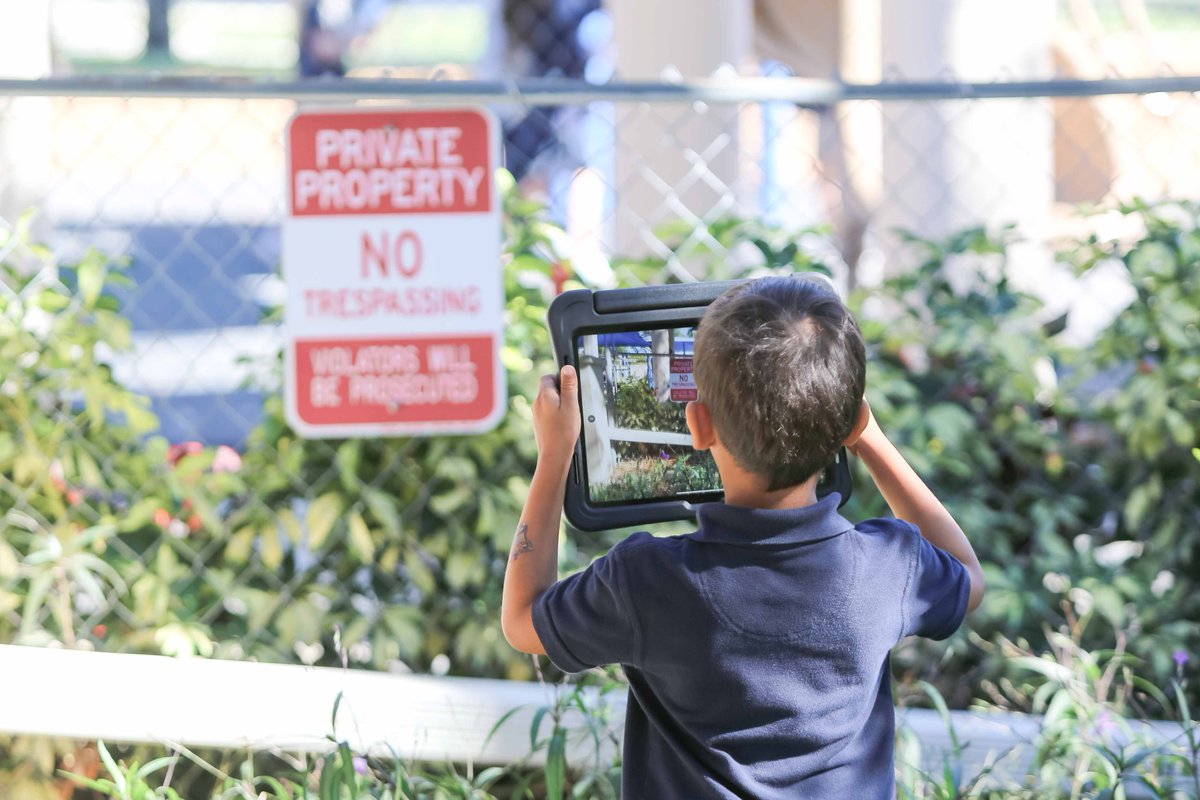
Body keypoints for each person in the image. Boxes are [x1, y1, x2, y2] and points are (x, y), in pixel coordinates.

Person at [501, 276, 986, 798]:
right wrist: (867, 434)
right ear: (847, 422)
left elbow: (522, 619)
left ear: (698, 424)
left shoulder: (645, 581)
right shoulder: (888, 569)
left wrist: (555, 456)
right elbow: (967, 573)